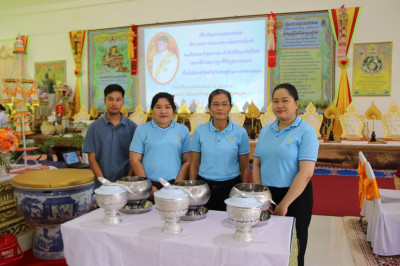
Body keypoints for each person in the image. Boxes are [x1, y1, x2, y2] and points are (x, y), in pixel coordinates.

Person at [252, 83, 319, 266]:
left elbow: (306, 173)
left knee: (292, 247)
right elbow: (257, 163)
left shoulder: (306, 132)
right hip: (267, 195)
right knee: (265, 244)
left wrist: (284, 204)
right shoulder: (266, 130)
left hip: (295, 197)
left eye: (285, 100)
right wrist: (261, 196)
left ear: (296, 104)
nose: (279, 105)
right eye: (275, 101)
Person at [189, 89, 250, 211]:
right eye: (215, 104)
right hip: (204, 186)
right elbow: (194, 164)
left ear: (230, 107)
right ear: (209, 108)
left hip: (231, 186)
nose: (220, 108)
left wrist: (244, 192)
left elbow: (244, 167)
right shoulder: (199, 131)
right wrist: (192, 189)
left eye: (224, 104)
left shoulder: (240, 132)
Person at [129, 92, 191, 195]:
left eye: (167, 107)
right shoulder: (142, 129)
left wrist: (176, 186)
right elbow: (134, 160)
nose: (163, 111)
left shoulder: (183, 130)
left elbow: (188, 160)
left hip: (175, 184)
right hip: (149, 184)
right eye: (158, 107)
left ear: (173, 109)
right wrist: (147, 186)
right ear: (152, 110)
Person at [83, 84, 137, 189]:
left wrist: (126, 181)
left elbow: (135, 159)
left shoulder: (133, 128)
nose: (114, 103)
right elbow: (92, 159)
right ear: (105, 101)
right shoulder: (94, 128)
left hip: (127, 186)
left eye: (118, 99)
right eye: (110, 99)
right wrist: (104, 184)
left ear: (122, 101)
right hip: (101, 186)